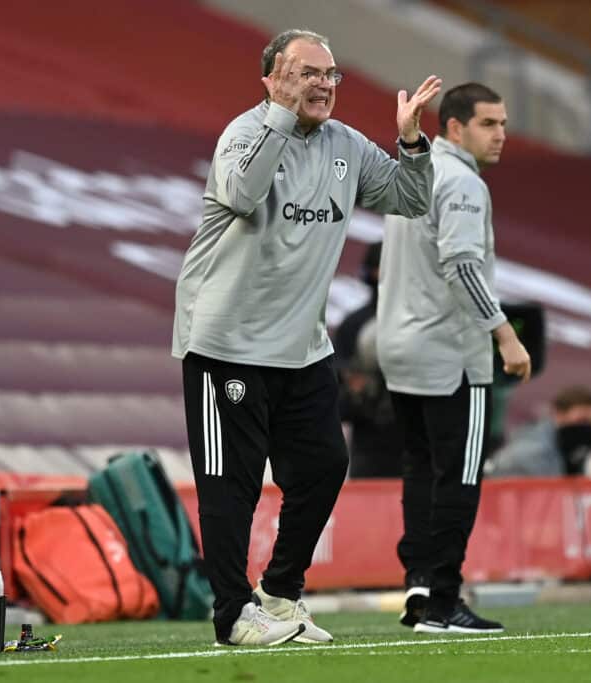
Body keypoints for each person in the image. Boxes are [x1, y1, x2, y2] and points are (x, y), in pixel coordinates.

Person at [171, 28, 441, 647]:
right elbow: (241, 195)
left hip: (301, 348)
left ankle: (282, 595)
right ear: (270, 78)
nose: (323, 84)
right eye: (306, 73)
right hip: (226, 344)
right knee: (231, 484)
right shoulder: (244, 134)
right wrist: (280, 115)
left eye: (330, 74)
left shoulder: (346, 145)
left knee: (323, 466)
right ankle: (234, 615)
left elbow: (411, 198)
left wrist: (409, 141)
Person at [376, 82, 531, 634]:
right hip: (449, 353)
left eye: (505, 124)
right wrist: (505, 337)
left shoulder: (414, 171)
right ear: (455, 127)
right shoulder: (463, 182)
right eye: (489, 124)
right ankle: (443, 600)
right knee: (459, 475)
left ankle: (419, 586)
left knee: (420, 470)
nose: (501, 135)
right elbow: (462, 265)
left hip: (398, 345)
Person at [335, 242, 403, 478]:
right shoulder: (354, 325)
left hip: (410, 441)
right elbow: (338, 388)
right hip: (370, 442)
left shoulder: (354, 323)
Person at [486, 385, 591, 477]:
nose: (588, 427)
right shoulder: (526, 454)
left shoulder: (572, 452)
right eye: (582, 419)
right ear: (558, 413)